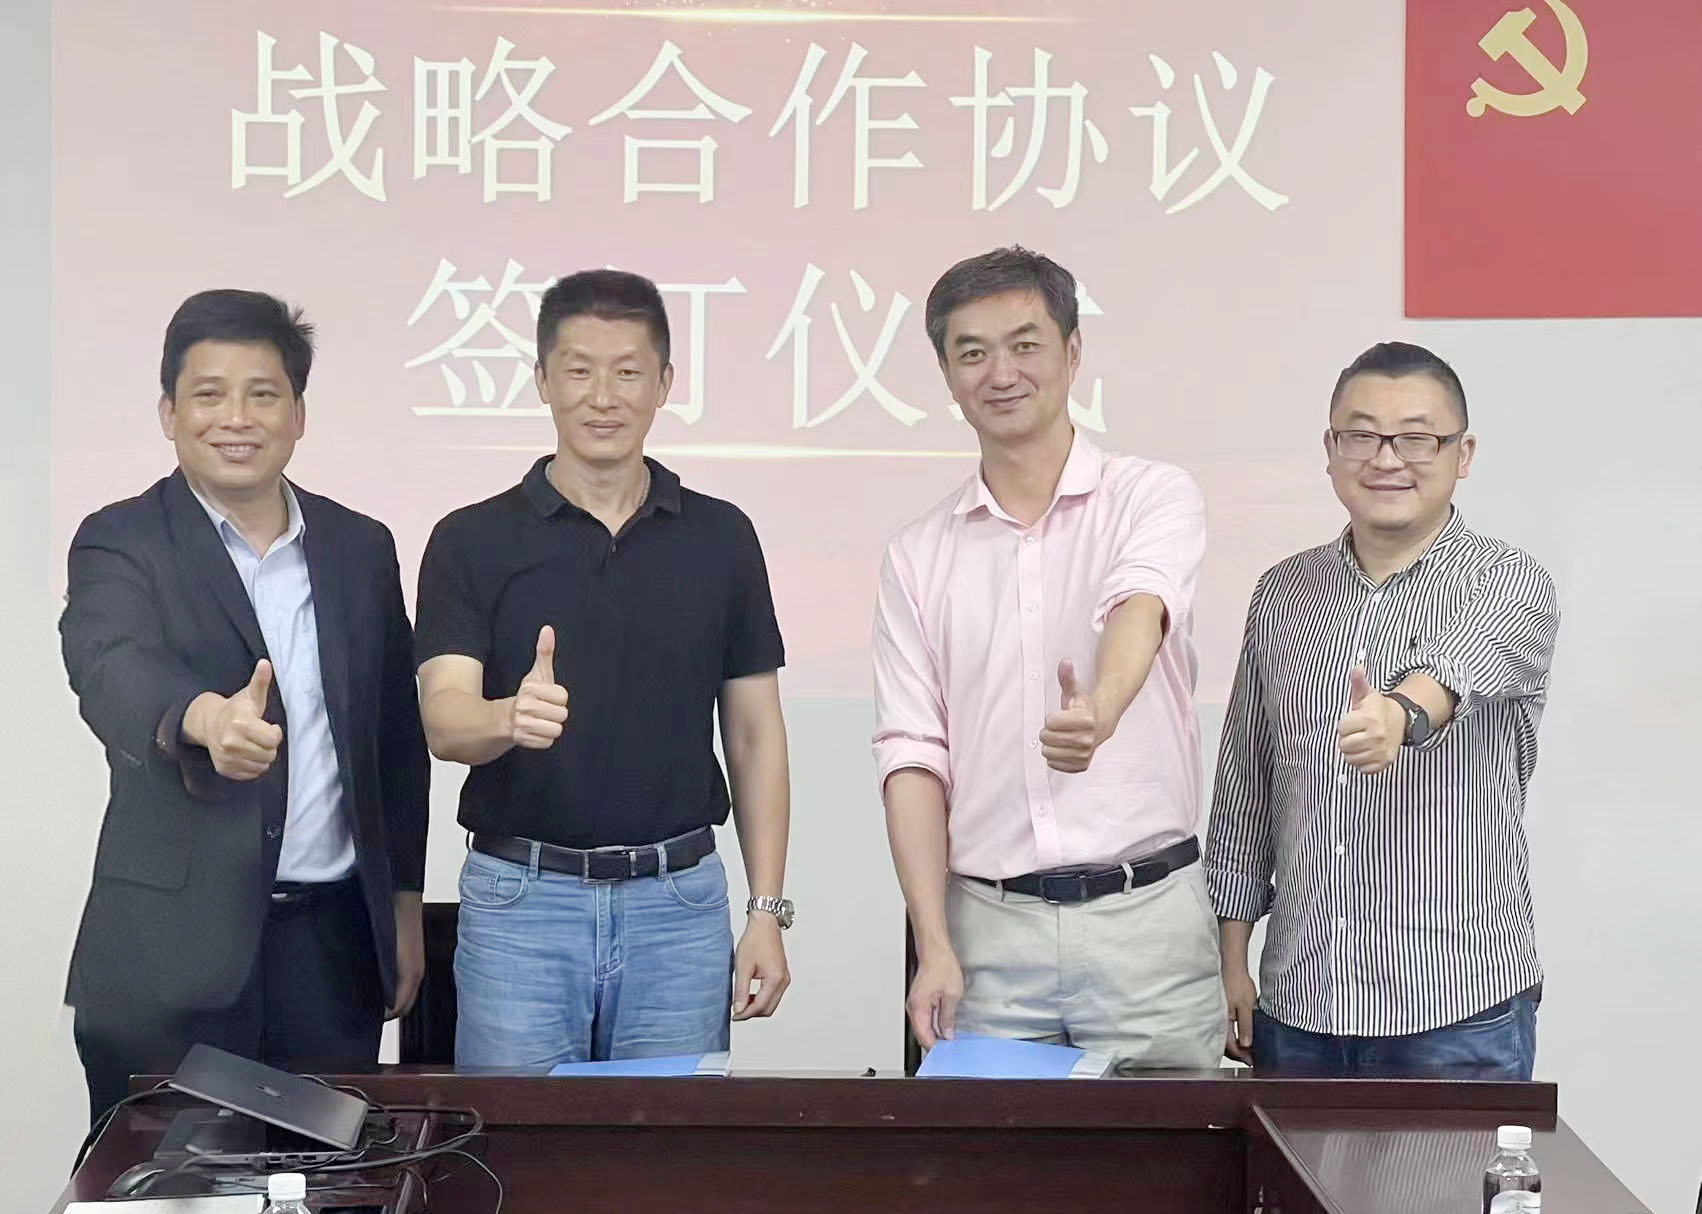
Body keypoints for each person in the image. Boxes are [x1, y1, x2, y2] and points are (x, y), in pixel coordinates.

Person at [60, 290, 429, 1122]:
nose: (237, 418)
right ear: (169, 412)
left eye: (263, 394)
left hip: (331, 949)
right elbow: (109, 664)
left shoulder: (360, 547)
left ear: (298, 414)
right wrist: (203, 720)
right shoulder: (122, 539)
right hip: (168, 955)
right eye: (209, 394)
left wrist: (402, 903)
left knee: (321, 1184)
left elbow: (393, 742)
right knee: (161, 1189)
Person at [415, 268, 793, 1067]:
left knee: (670, 1143)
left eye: (627, 372)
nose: (603, 397)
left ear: (664, 384)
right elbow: (444, 718)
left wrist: (765, 909)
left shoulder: (721, 538)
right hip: (522, 904)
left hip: (678, 906)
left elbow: (755, 734)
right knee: (511, 1141)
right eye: (579, 371)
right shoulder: (470, 540)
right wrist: (505, 717)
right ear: (543, 381)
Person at [873, 246, 1225, 1066]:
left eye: (1025, 345)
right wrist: (933, 942)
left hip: (1147, 925)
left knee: (1171, 1151)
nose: (1001, 373)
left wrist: (1102, 708)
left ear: (1072, 352)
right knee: (991, 1155)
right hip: (987, 934)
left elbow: (1140, 605)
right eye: (972, 353)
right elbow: (913, 756)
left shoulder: (1152, 494)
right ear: (947, 375)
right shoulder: (916, 556)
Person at [1206, 341, 1559, 1080]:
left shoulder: (1509, 580)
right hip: (1298, 1007)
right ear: (1331, 450)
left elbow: (1460, 667)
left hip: (1458, 1009)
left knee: (1459, 1172)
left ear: (1463, 454)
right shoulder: (1281, 593)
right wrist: (1230, 961)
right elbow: (1245, 791)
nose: (1387, 459)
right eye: (1361, 436)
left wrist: (1397, 715)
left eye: (1417, 438)